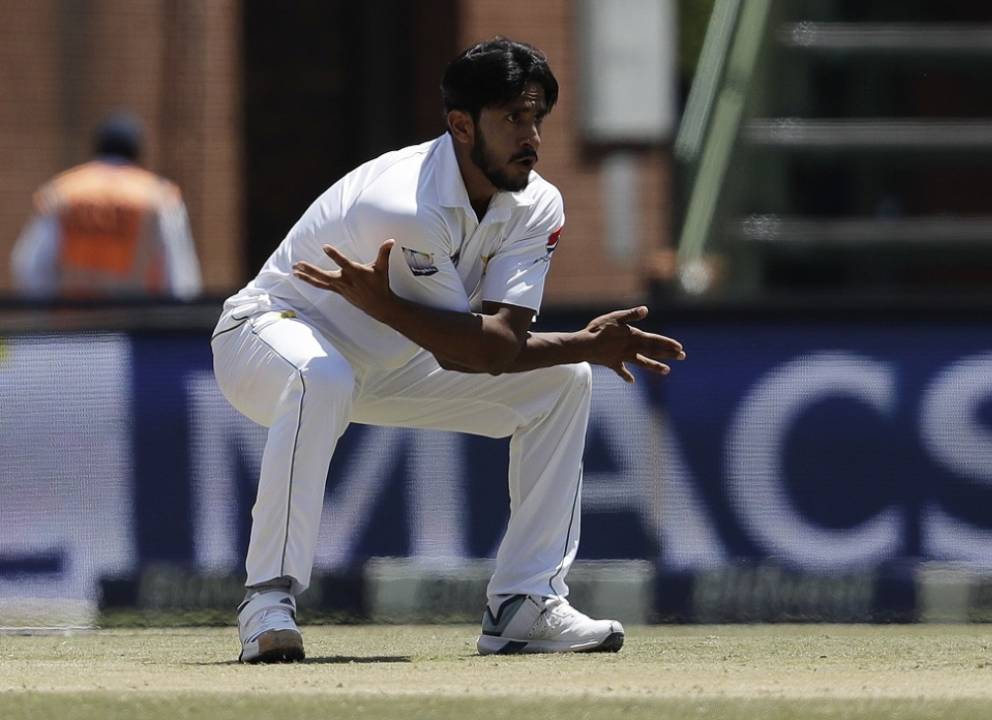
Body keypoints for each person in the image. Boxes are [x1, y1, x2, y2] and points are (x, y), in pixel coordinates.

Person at [211, 37, 685, 663]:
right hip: (264, 337)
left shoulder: (538, 202)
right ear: (461, 125)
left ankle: (525, 604)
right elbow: (474, 354)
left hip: (392, 360)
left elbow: (498, 342)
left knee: (564, 381)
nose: (532, 136)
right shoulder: (405, 202)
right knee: (320, 375)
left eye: (537, 116)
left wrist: (580, 349)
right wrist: (583, 341)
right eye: (513, 117)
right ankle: (266, 602)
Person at [10, 112, 202, 300]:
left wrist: (46, 315)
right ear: (137, 152)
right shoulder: (158, 197)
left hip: (73, 324)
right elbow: (180, 276)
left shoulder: (63, 192)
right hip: (137, 324)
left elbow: (29, 267)